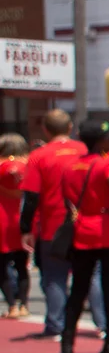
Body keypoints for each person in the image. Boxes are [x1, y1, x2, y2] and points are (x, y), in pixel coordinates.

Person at [19, 108, 104, 339]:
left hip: (53, 226)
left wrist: (26, 228)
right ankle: (103, 323)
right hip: (88, 224)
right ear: (70, 128)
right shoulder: (86, 151)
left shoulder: (39, 156)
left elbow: (31, 197)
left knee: (54, 277)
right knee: (92, 275)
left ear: (45, 129)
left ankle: (56, 325)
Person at [55, 121, 109, 353]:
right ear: (100, 141)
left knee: (78, 289)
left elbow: (67, 198)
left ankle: (67, 345)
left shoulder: (71, 165)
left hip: (83, 230)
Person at [0, 133, 30, 318]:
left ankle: (12, 305)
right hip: (22, 218)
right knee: (22, 265)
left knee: (2, 265)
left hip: (2, 219)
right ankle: (24, 304)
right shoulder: (29, 166)